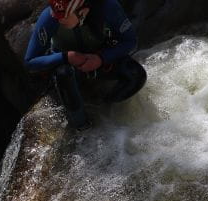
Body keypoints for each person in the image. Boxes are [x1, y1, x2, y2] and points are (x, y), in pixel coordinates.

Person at [24, 0, 145, 129]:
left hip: (101, 62)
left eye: (62, 15)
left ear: (82, 12)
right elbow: (30, 61)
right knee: (63, 74)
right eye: (55, 13)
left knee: (136, 75)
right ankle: (82, 126)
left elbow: (130, 41)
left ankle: (107, 108)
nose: (56, 17)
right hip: (71, 70)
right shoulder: (49, 16)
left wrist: (101, 58)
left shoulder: (108, 7)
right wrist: (66, 57)